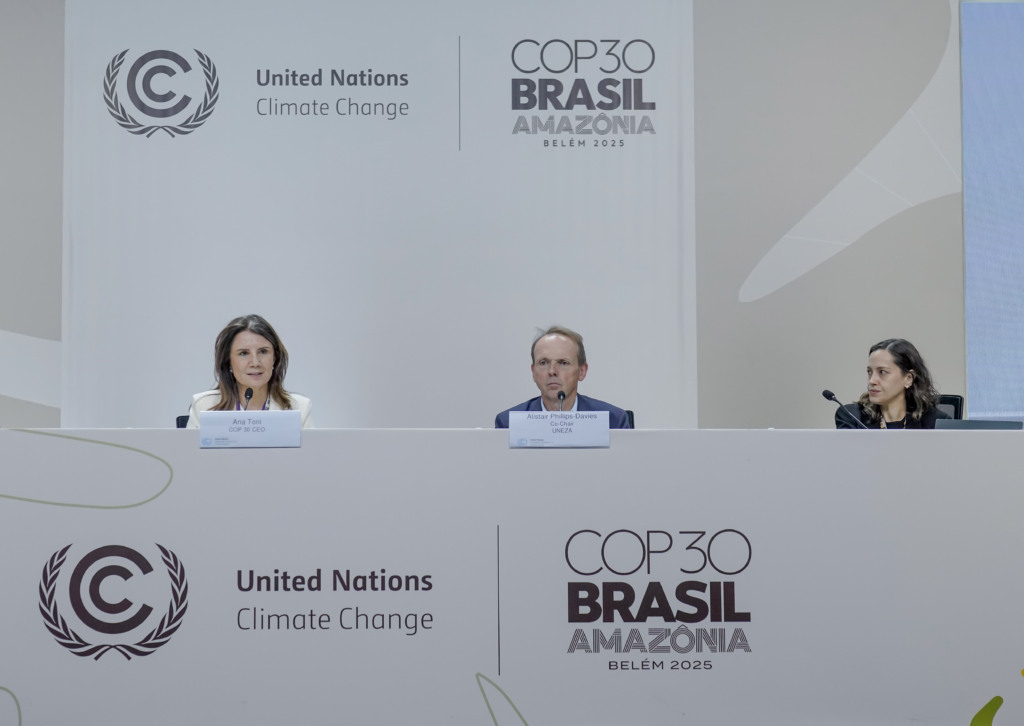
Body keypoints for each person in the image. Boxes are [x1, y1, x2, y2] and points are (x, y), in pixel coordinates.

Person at [186, 314, 313, 428]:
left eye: (263, 352)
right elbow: (188, 454)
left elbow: (310, 454)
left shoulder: (299, 407)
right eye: (244, 353)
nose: (255, 363)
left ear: (275, 357)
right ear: (228, 361)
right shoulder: (204, 406)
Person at [495, 325, 632, 429]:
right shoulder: (509, 423)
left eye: (563, 363)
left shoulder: (613, 421)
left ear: (582, 371)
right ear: (533, 372)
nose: (552, 371)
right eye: (543, 363)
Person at [835, 338, 948, 429]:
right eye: (870, 372)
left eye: (882, 372)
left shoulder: (935, 422)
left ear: (908, 378)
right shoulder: (852, 417)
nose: (872, 381)